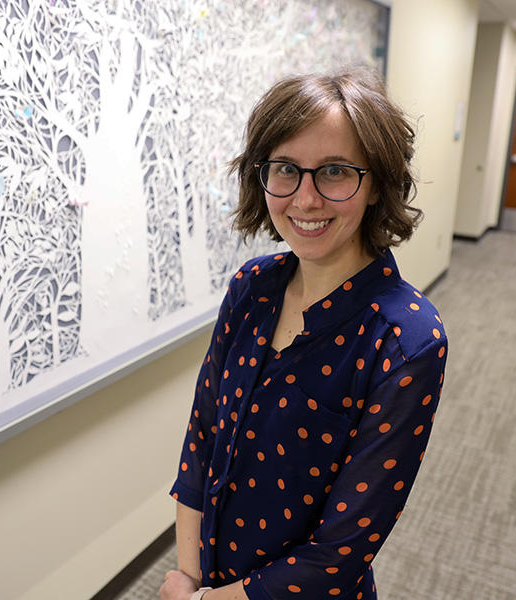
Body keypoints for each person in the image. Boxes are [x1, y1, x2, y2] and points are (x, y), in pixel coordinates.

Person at [161, 66, 448, 600]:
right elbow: (202, 437)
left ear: (377, 183)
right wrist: (189, 575)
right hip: (209, 578)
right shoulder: (251, 288)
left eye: (335, 172)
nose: (306, 200)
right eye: (286, 169)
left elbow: (340, 551)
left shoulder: (406, 342)